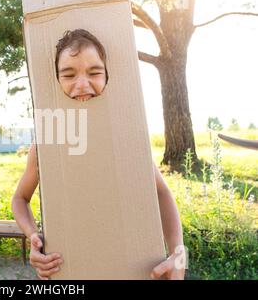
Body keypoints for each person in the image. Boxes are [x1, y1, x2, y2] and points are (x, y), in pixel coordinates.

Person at [11, 29, 185, 280]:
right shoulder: (46, 146)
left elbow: (161, 192)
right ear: (56, 81)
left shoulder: (127, 137)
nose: (82, 84)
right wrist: (33, 236)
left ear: (107, 76)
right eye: (69, 74)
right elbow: (20, 199)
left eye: (94, 72)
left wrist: (178, 254)